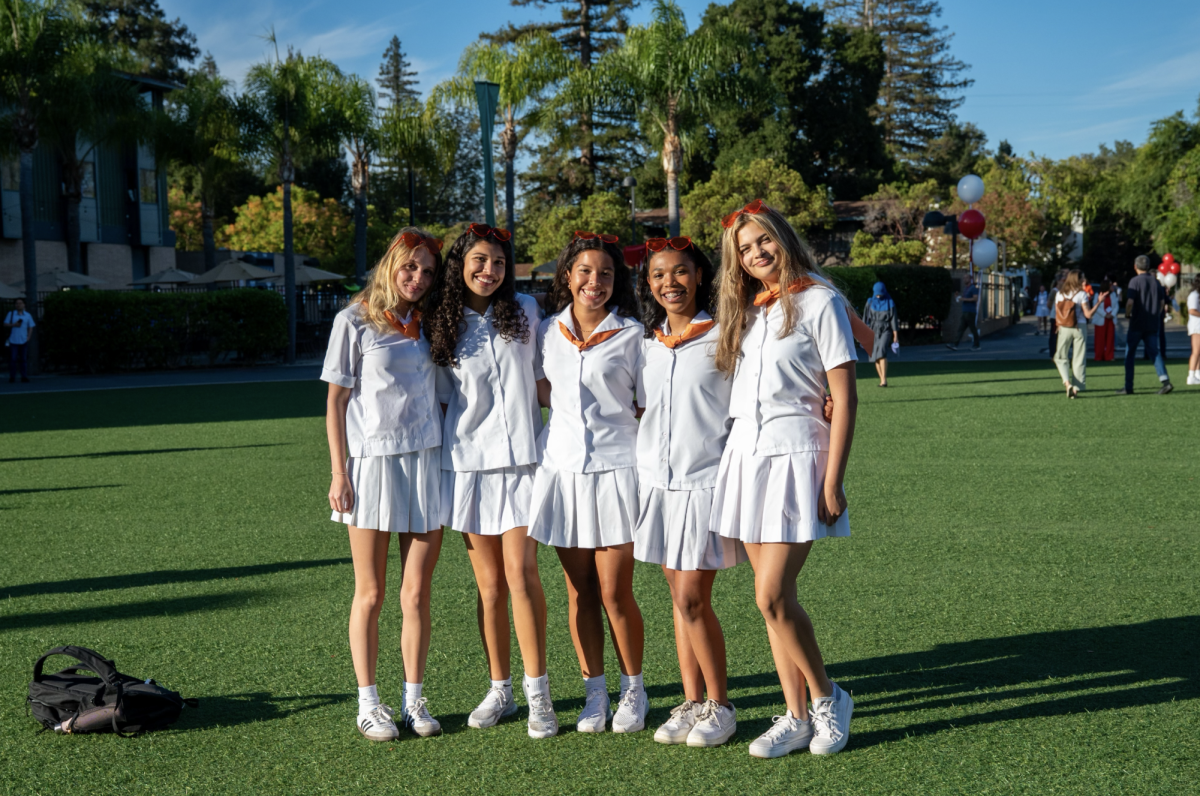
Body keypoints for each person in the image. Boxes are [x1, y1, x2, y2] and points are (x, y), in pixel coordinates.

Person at [710, 199, 856, 757]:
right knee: (772, 597)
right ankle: (795, 716)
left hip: (800, 459)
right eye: (744, 249)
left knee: (772, 596)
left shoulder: (819, 301)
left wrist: (833, 480)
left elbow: (843, 397)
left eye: (763, 241)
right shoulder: (748, 311)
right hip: (746, 460)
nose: (756, 254)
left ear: (783, 238)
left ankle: (828, 698)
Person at [423, 223, 558, 739]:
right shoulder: (442, 319)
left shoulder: (526, 310)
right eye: (479, 260)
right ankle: (499, 687)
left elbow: (551, 381)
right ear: (461, 264)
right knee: (489, 586)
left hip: (525, 465)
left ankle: (537, 694)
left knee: (522, 576)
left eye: (499, 263)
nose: (489, 271)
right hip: (468, 467)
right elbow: (434, 398)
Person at [322, 228, 446, 742]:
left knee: (416, 594)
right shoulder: (352, 321)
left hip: (426, 463)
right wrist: (339, 472)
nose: (417, 279)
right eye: (409, 267)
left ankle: (414, 700)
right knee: (370, 594)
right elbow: (335, 403)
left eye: (427, 271)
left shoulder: (432, 323)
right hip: (371, 466)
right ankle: (369, 704)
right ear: (391, 263)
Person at [529, 230, 649, 734]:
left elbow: (648, 406)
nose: (594, 282)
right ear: (567, 277)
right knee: (580, 593)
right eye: (584, 272)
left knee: (615, 591)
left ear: (615, 280)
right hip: (562, 474)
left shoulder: (633, 335)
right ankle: (594, 694)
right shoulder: (546, 331)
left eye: (604, 273)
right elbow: (540, 390)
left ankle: (633, 691)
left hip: (618, 473)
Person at [633, 235, 746, 748]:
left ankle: (721, 705)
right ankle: (692, 701)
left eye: (679, 272)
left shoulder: (726, 335)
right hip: (659, 487)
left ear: (699, 275)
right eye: (658, 274)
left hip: (706, 483)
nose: (669, 283)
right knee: (678, 603)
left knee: (691, 597)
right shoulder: (647, 344)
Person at [1118, 255, 1173, 395]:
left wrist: (1128, 315)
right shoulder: (1156, 282)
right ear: (1148, 266)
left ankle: (1128, 386)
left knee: (1130, 354)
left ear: (1135, 266)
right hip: (1152, 323)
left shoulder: (1134, 281)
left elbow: (1130, 302)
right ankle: (1165, 381)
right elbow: (1162, 303)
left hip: (1137, 323)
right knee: (1155, 352)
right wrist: (1156, 314)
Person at [1053, 269, 1106, 399]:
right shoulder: (1082, 294)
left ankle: (1067, 383)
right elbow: (1088, 314)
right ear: (1077, 280)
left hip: (1064, 327)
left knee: (1060, 357)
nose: (1084, 280)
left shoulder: (1059, 294)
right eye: (1082, 278)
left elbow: (1057, 314)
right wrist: (1099, 302)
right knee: (1079, 359)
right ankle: (1076, 389)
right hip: (1079, 328)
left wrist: (1058, 326)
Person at [861, 281, 898, 387]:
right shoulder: (870, 302)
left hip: (886, 329)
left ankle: (884, 379)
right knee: (874, 356)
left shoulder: (890, 302)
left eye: (880, 293)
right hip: (873, 330)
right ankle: (881, 379)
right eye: (877, 293)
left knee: (881, 352)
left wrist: (895, 335)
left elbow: (893, 320)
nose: (878, 295)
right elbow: (865, 318)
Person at [4, 297, 35, 383]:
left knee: (23, 359)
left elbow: (31, 327)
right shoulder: (11, 314)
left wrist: (28, 337)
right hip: (13, 340)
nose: (18, 305)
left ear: (24, 305)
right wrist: (14, 325)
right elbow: (5, 324)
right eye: (17, 303)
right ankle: (12, 376)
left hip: (23, 340)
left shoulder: (27, 315)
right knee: (13, 359)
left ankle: (24, 376)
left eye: (20, 303)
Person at [946, 273, 980, 350]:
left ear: (970, 279)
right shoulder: (965, 289)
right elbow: (961, 299)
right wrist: (957, 297)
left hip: (970, 312)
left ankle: (977, 345)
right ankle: (955, 344)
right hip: (965, 311)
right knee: (960, 329)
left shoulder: (973, 288)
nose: (965, 279)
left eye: (966, 278)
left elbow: (975, 299)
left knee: (973, 329)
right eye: (964, 278)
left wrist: (963, 299)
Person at [1091, 280, 1117, 361]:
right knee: (1099, 339)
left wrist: (1112, 314)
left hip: (1110, 319)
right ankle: (1099, 356)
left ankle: (1109, 356)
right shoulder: (1097, 295)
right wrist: (1105, 314)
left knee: (1110, 338)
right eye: (1110, 286)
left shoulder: (1113, 295)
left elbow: (1116, 306)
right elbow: (1096, 306)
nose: (1112, 287)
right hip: (1101, 319)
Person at [1186, 274, 1200, 385]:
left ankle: (1197, 373)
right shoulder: (1194, 295)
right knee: (1196, 351)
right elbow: (1192, 311)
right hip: (1196, 326)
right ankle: (1191, 376)